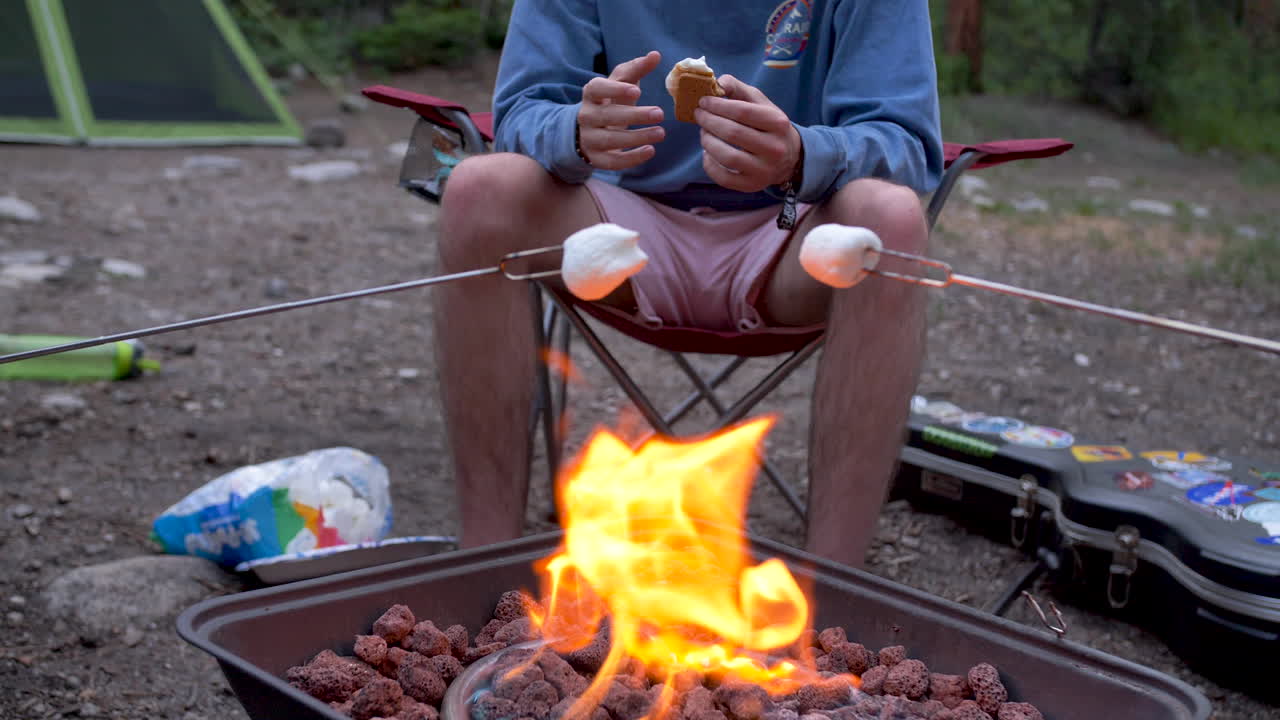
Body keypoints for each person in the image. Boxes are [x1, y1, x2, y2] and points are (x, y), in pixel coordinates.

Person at [433, 0, 944, 568]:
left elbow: (906, 145)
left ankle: (835, 591)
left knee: (889, 218)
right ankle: (482, 567)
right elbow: (522, 114)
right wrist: (573, 132)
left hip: (793, 236)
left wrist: (802, 154)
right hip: (613, 227)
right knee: (478, 190)